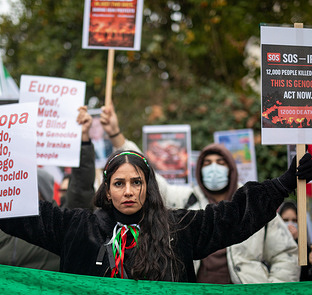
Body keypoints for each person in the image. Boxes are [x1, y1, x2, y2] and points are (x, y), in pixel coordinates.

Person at [0, 141, 312, 281]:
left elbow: (233, 217)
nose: (129, 190)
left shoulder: (179, 227)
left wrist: (282, 184)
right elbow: (25, 216)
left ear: (148, 186)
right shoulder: (77, 227)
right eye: (119, 183)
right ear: (107, 191)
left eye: (137, 182)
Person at [100, 104, 301, 283]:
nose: (214, 168)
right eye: (207, 163)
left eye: (220, 163)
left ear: (231, 169)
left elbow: (286, 255)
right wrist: (117, 137)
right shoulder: (186, 200)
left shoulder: (253, 207)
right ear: (199, 169)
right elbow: (143, 176)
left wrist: (271, 292)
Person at [0, 106, 96, 270]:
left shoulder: (59, 228)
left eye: (31, 187)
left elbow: (81, 190)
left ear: (45, 195)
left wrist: (82, 140)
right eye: (19, 186)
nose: (22, 192)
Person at [278, 201, 312, 281]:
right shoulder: (269, 246)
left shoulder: (307, 249)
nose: (290, 224)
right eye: (285, 220)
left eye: (294, 220)